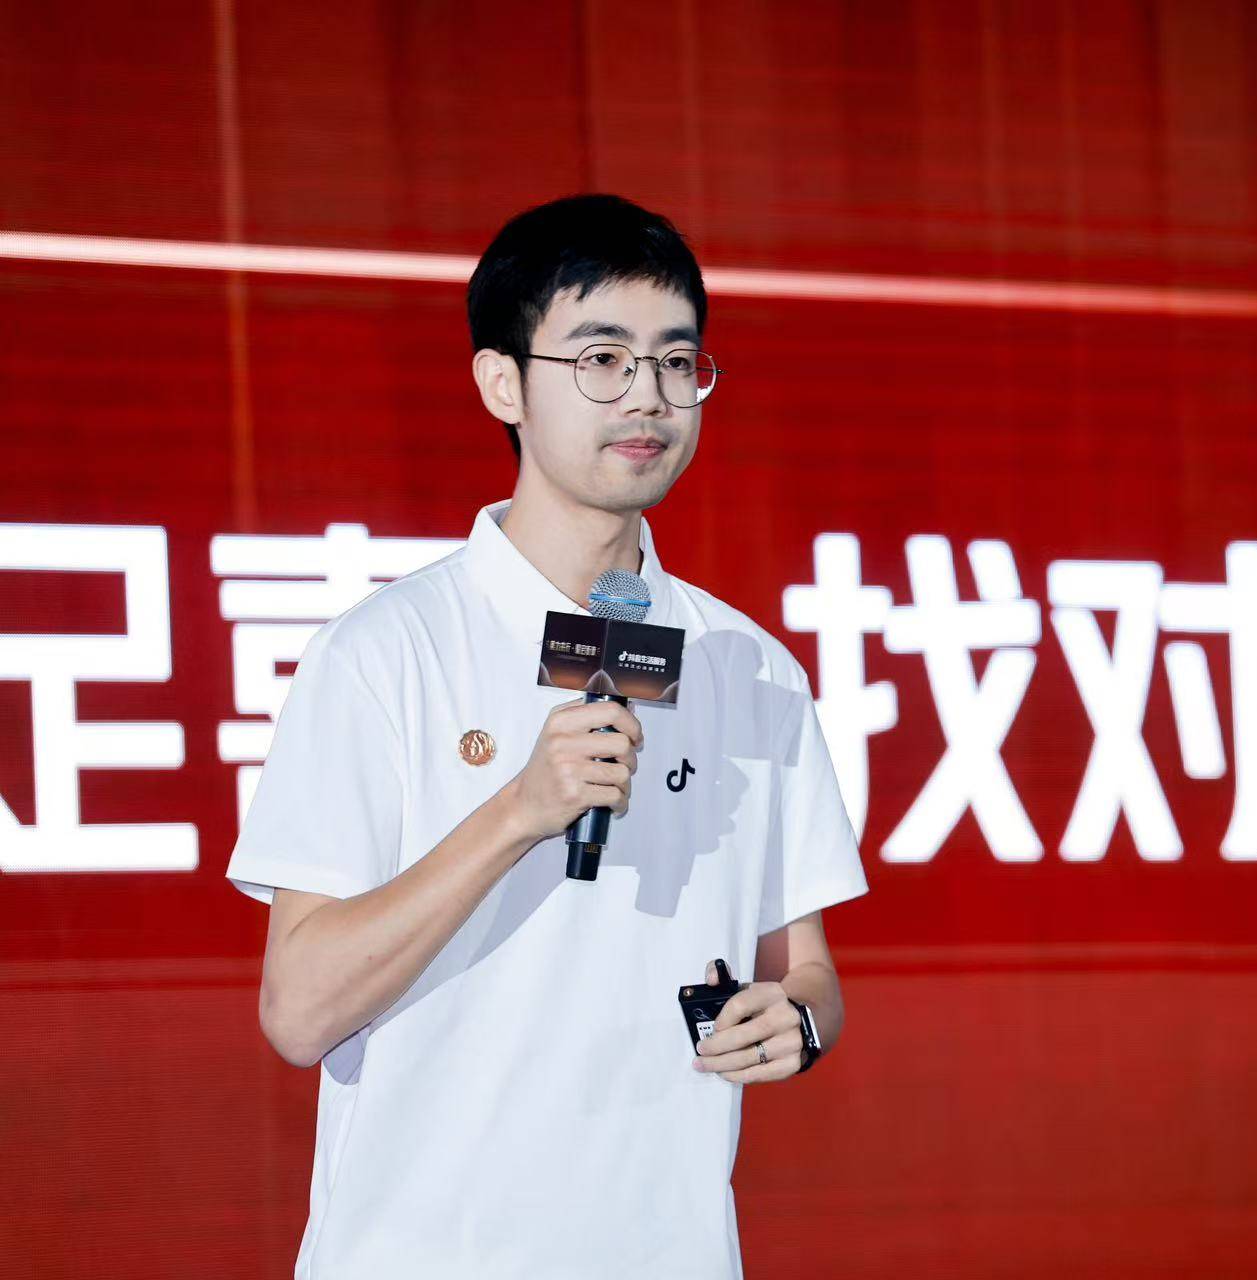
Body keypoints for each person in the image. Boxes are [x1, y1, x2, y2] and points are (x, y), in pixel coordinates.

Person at [226, 193, 869, 1278]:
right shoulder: (385, 653)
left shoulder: (751, 668)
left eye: (677, 362)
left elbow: (805, 971)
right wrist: (520, 812)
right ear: (502, 383)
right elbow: (299, 1011)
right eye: (603, 359)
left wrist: (796, 1023)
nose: (649, 396)